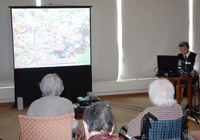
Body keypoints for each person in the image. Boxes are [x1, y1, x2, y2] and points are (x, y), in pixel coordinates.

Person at [178, 41, 200, 110]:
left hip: (192, 77)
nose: (182, 52)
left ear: (188, 48)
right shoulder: (179, 56)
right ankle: (173, 103)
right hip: (182, 77)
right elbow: (177, 67)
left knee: (188, 83)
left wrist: (194, 71)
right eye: (181, 50)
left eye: (184, 50)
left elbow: (197, 68)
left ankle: (189, 104)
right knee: (171, 82)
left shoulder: (195, 56)